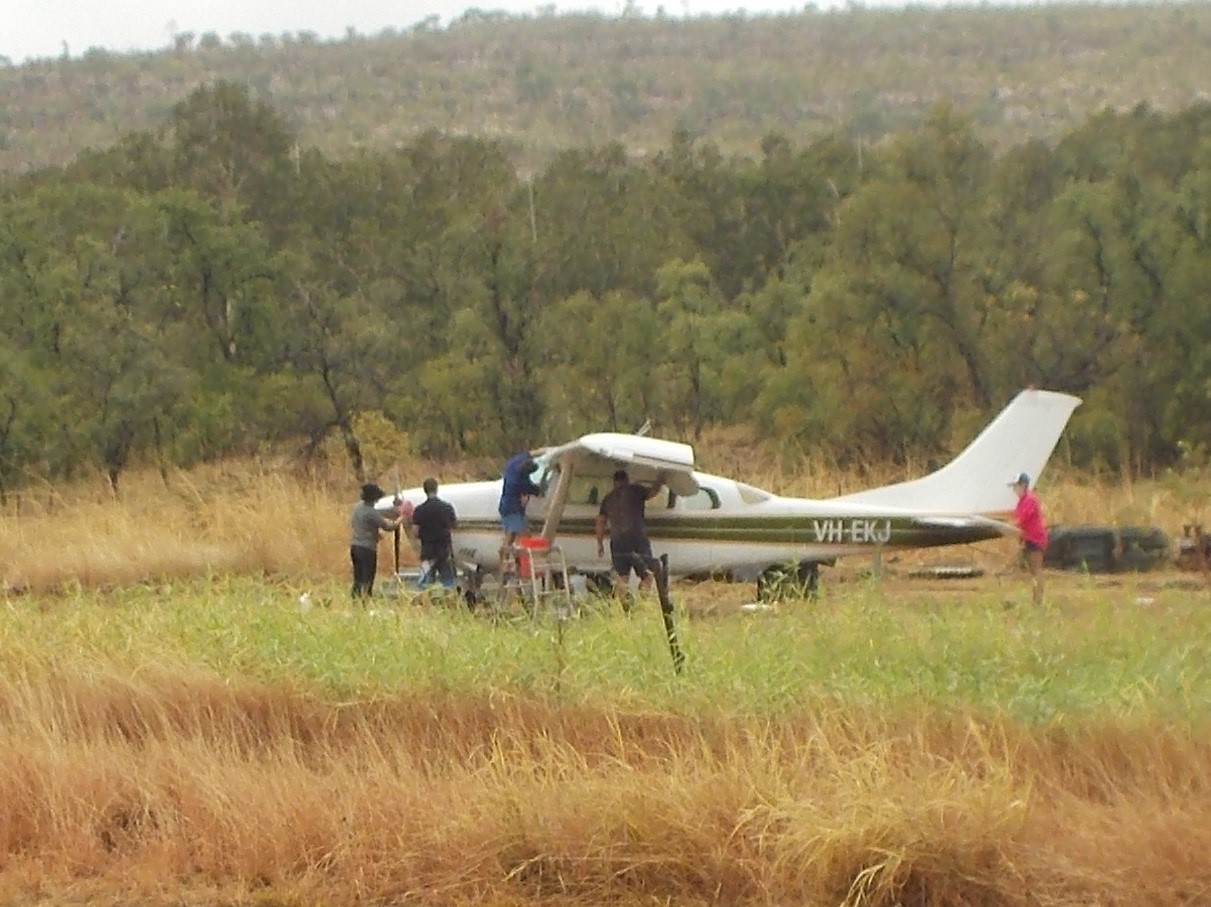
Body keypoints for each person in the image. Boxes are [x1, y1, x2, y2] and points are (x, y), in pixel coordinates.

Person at [596, 469, 665, 600]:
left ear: (614, 482)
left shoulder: (608, 498)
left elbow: (600, 522)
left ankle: (620, 610)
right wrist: (660, 480)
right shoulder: (635, 490)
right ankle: (642, 603)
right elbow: (653, 492)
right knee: (647, 575)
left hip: (617, 542)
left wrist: (599, 544)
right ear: (627, 480)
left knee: (622, 577)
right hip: (638, 540)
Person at [350, 482, 403, 600]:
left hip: (355, 546)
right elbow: (388, 526)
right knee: (368, 577)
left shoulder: (358, 507)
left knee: (358, 577)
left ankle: (355, 600)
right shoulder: (371, 512)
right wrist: (400, 518)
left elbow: (374, 516)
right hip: (367, 549)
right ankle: (365, 599)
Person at [411, 477, 458, 589]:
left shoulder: (419, 510)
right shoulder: (447, 507)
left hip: (427, 551)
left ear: (424, 490)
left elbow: (415, 532)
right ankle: (449, 603)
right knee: (449, 583)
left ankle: (427, 604)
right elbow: (455, 525)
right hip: (444, 550)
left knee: (425, 584)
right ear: (437, 489)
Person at [1010, 472, 1048, 604]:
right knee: (1033, 570)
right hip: (1028, 538)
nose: (1014, 489)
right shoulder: (1022, 501)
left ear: (1024, 485)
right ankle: (1036, 599)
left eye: (1017, 486)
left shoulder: (1030, 500)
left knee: (1036, 569)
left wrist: (1006, 527)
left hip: (1035, 538)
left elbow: (1022, 520)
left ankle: (1038, 600)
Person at [498, 450, 542, 550]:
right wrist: (537, 490)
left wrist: (542, 451)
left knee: (511, 535)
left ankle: (504, 558)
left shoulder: (515, 462)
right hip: (512, 508)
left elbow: (530, 453)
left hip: (507, 507)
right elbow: (529, 488)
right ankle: (523, 559)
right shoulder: (519, 481)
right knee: (524, 536)